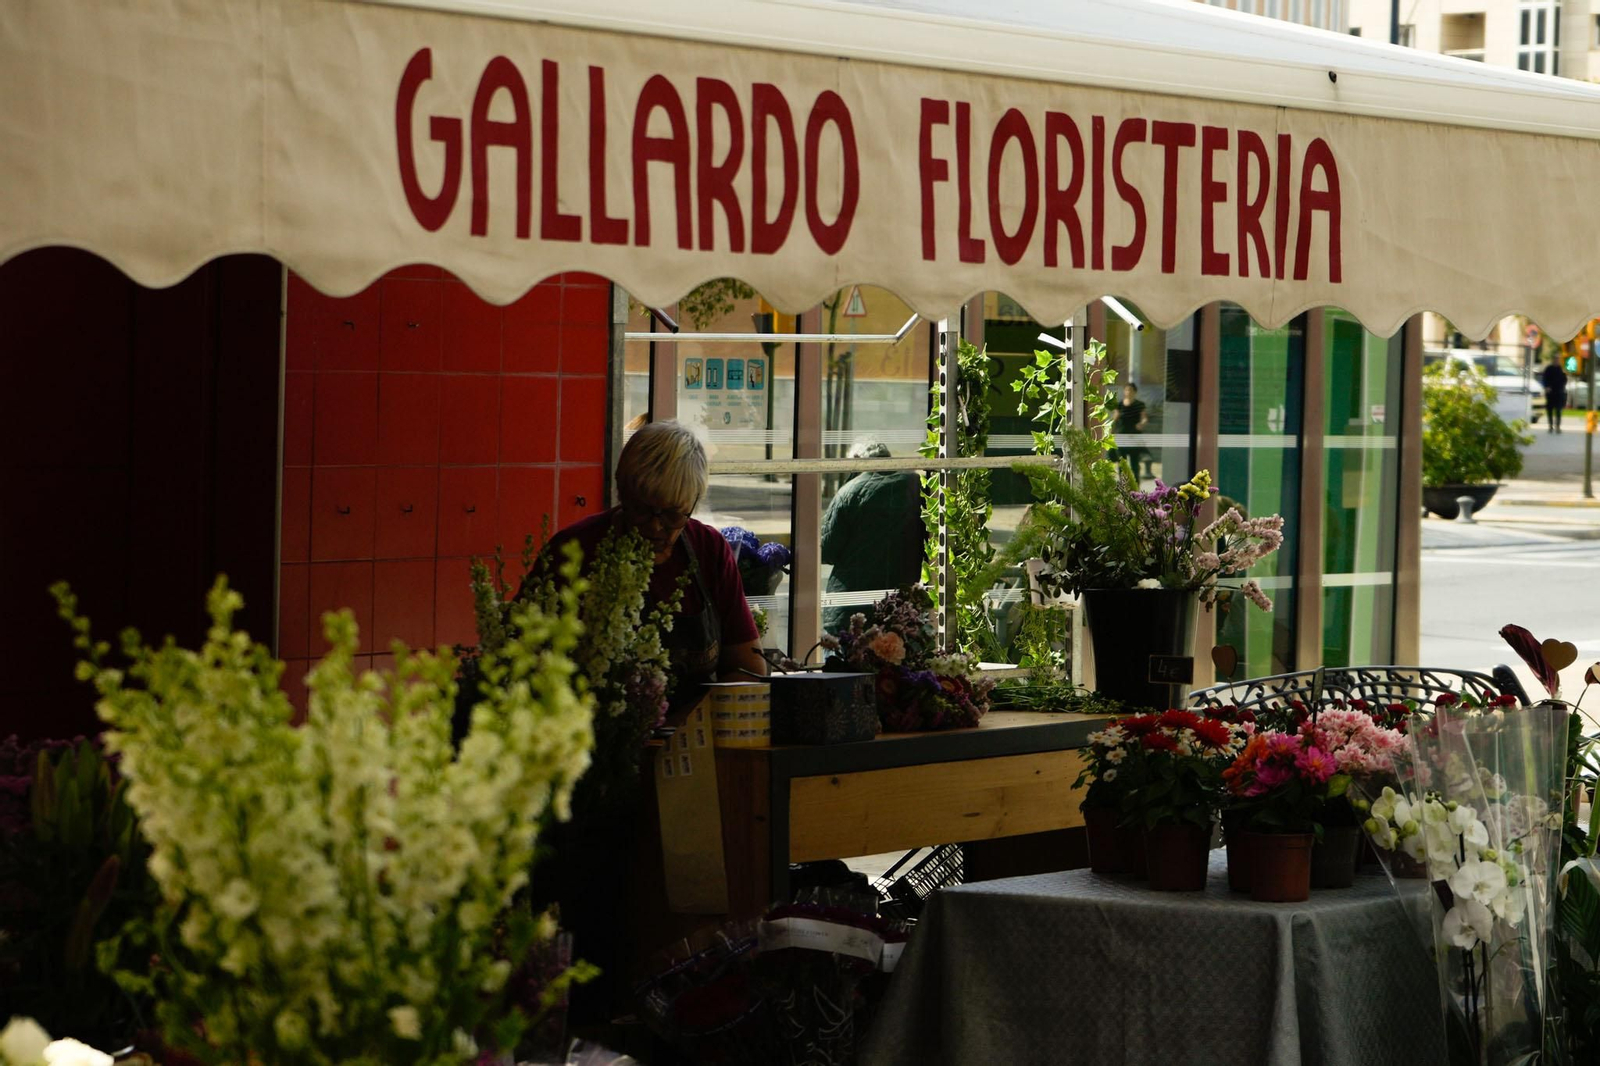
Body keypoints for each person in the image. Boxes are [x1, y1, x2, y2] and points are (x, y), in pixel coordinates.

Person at [538, 419, 768, 710]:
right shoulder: (574, 552)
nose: (656, 526)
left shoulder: (708, 549)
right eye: (642, 510)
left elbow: (748, 670)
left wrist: (690, 724)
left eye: (673, 515)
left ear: (693, 504)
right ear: (622, 492)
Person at [820, 438, 926, 634]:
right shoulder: (915, 485)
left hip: (850, 603)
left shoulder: (849, 492)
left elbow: (827, 551)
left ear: (857, 460)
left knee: (846, 651)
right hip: (899, 601)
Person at [1114, 382, 1152, 477]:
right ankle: (1123, 484)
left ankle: (1135, 483)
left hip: (1134, 436)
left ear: (1135, 392)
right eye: (1126, 390)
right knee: (1122, 464)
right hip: (1122, 436)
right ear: (1124, 391)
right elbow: (1115, 418)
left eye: (1130, 390)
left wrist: (1141, 423)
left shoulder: (1139, 405)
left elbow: (1144, 418)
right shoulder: (1119, 405)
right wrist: (1111, 430)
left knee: (1134, 463)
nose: (1128, 392)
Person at [1540, 355, 1568, 434]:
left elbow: (1565, 379)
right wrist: (1547, 387)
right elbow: (1545, 379)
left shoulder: (1561, 369)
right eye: (1555, 359)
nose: (1557, 360)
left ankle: (1558, 426)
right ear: (1553, 360)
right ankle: (1550, 426)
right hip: (1550, 392)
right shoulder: (1549, 369)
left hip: (1559, 392)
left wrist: (1562, 387)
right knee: (1550, 410)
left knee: (1558, 410)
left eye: (1558, 359)